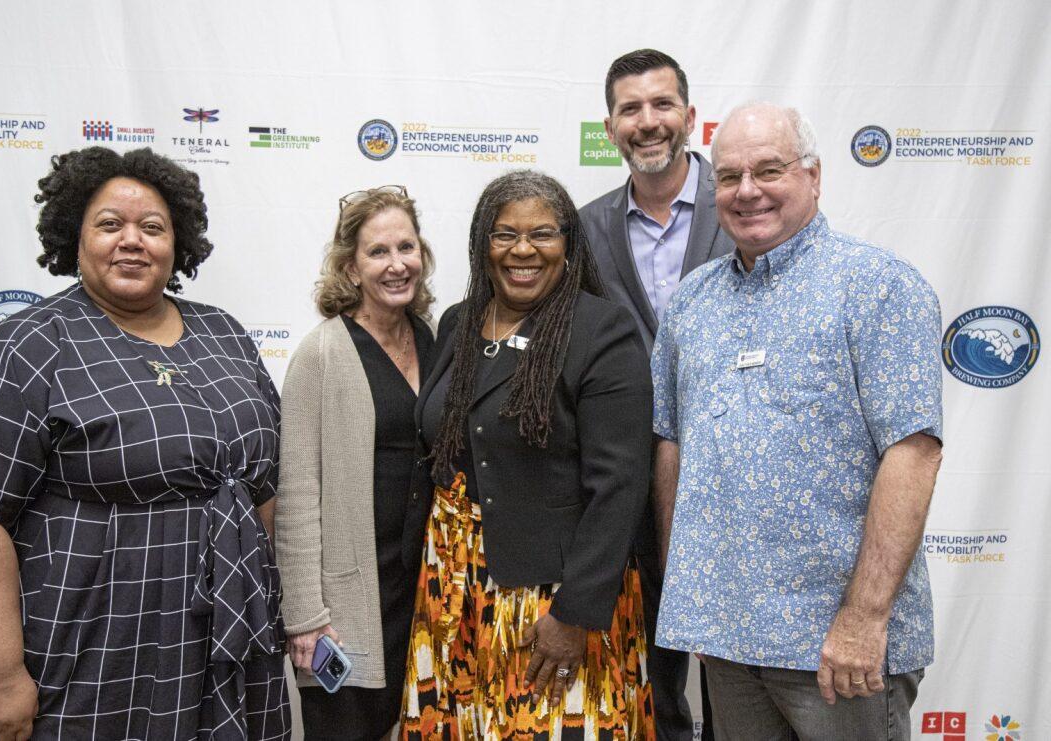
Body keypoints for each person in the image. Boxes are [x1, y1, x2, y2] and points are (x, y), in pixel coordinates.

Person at [0, 146, 289, 740]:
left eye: (152, 227)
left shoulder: (223, 332)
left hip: (225, 639)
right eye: (110, 225)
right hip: (91, 646)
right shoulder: (25, 346)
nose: (132, 240)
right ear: (73, 238)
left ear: (178, 245)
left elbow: (263, 486)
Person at [651, 102, 943, 740]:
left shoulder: (878, 288)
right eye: (728, 177)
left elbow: (914, 454)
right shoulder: (690, 306)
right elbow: (672, 450)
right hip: (728, 639)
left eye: (769, 170)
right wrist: (694, 602)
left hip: (837, 649)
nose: (747, 190)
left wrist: (865, 618)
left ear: (814, 175)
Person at [399, 170, 655, 738]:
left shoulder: (601, 331)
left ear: (569, 243)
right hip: (453, 586)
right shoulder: (459, 323)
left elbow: (620, 487)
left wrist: (575, 614)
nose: (522, 250)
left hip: (553, 597)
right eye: (503, 234)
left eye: (542, 234)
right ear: (481, 244)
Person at [579, 48, 733, 741]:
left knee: (742, 672)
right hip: (634, 478)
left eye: (662, 104)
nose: (648, 122)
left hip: (741, 471)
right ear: (610, 128)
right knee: (654, 664)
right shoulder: (582, 229)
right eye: (630, 109)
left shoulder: (747, 208)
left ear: (691, 118)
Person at [273, 186, 436, 741]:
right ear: (351, 266)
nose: (397, 265)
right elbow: (295, 497)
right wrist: (306, 620)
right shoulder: (322, 353)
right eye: (378, 252)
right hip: (346, 606)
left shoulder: (435, 341)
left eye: (406, 248)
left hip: (424, 593)